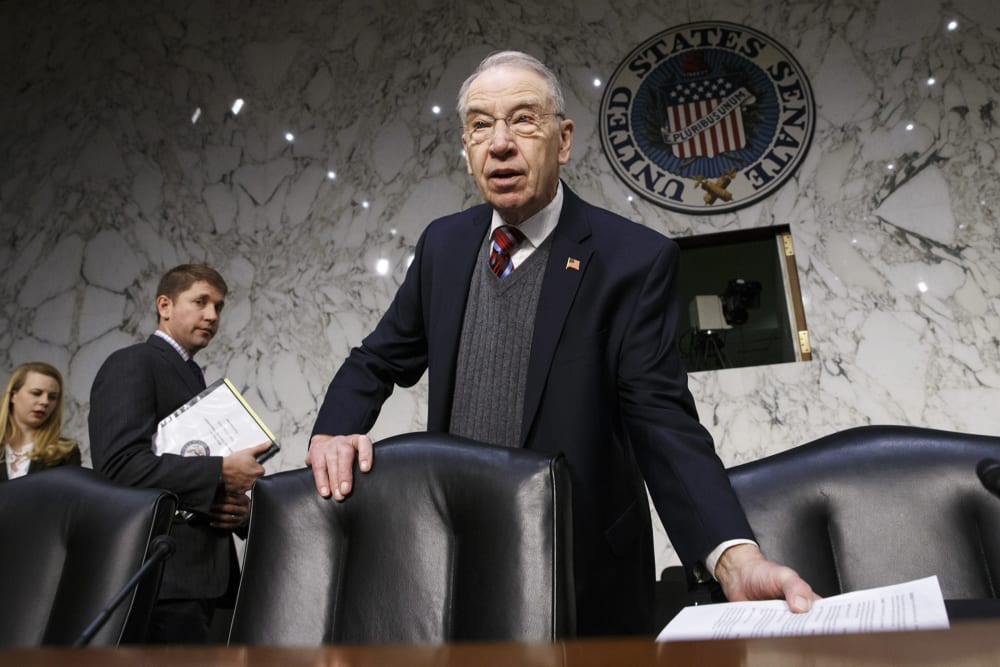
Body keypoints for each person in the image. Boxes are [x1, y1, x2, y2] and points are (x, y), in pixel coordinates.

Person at [306, 51, 818, 635]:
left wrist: (734, 557)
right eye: (480, 125)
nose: (500, 143)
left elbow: (662, 420)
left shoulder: (633, 259)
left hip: (582, 574)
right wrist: (335, 430)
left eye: (523, 120)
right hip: (456, 563)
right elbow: (377, 358)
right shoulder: (443, 246)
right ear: (467, 147)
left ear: (564, 139)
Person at [89, 263, 271, 643]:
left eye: (219, 306)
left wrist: (236, 510)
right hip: (162, 578)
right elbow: (120, 466)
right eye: (200, 301)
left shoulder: (190, 374)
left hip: (207, 580)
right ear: (165, 306)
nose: (212, 315)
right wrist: (220, 472)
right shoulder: (133, 362)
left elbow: (184, 475)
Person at [1, 362, 81, 481]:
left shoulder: (65, 452)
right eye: (36, 393)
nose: (45, 402)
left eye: (52, 397)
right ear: (13, 395)